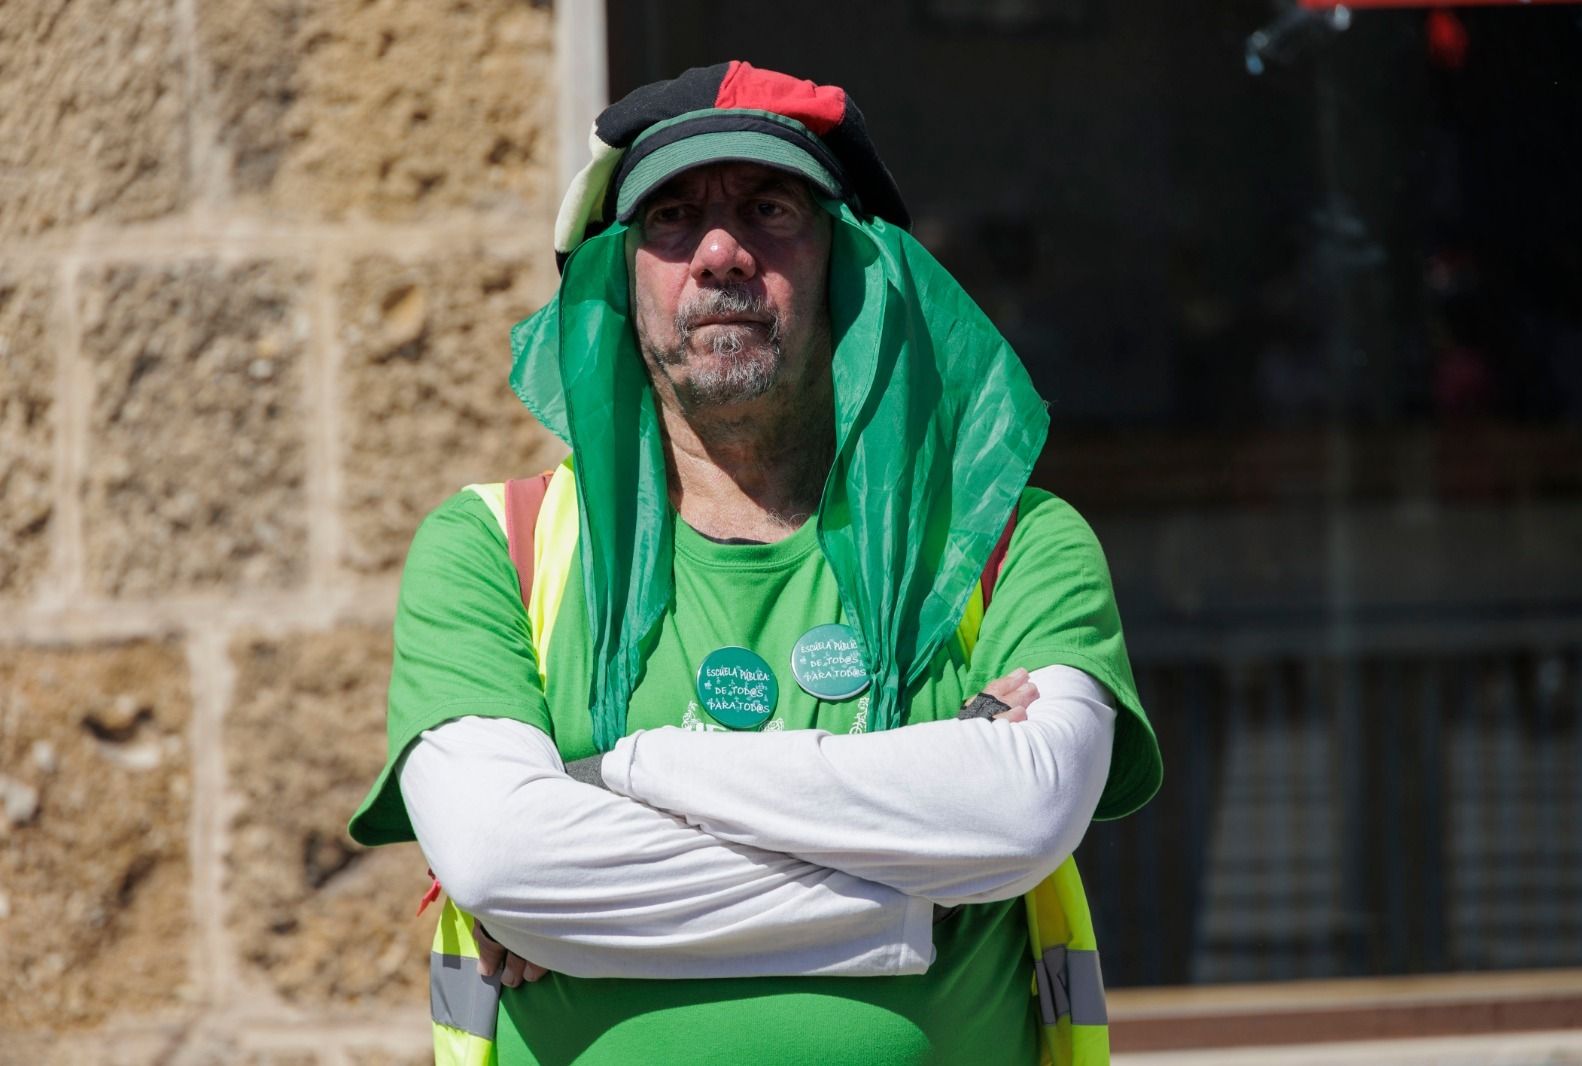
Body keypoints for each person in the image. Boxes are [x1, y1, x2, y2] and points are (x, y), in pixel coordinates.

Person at [349, 60, 1161, 1066]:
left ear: (850, 265)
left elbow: (1022, 807)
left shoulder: (1013, 544)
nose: (722, 251)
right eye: (672, 217)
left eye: (771, 208)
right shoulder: (491, 551)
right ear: (619, 276)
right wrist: (911, 897)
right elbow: (505, 857)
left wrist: (624, 776)